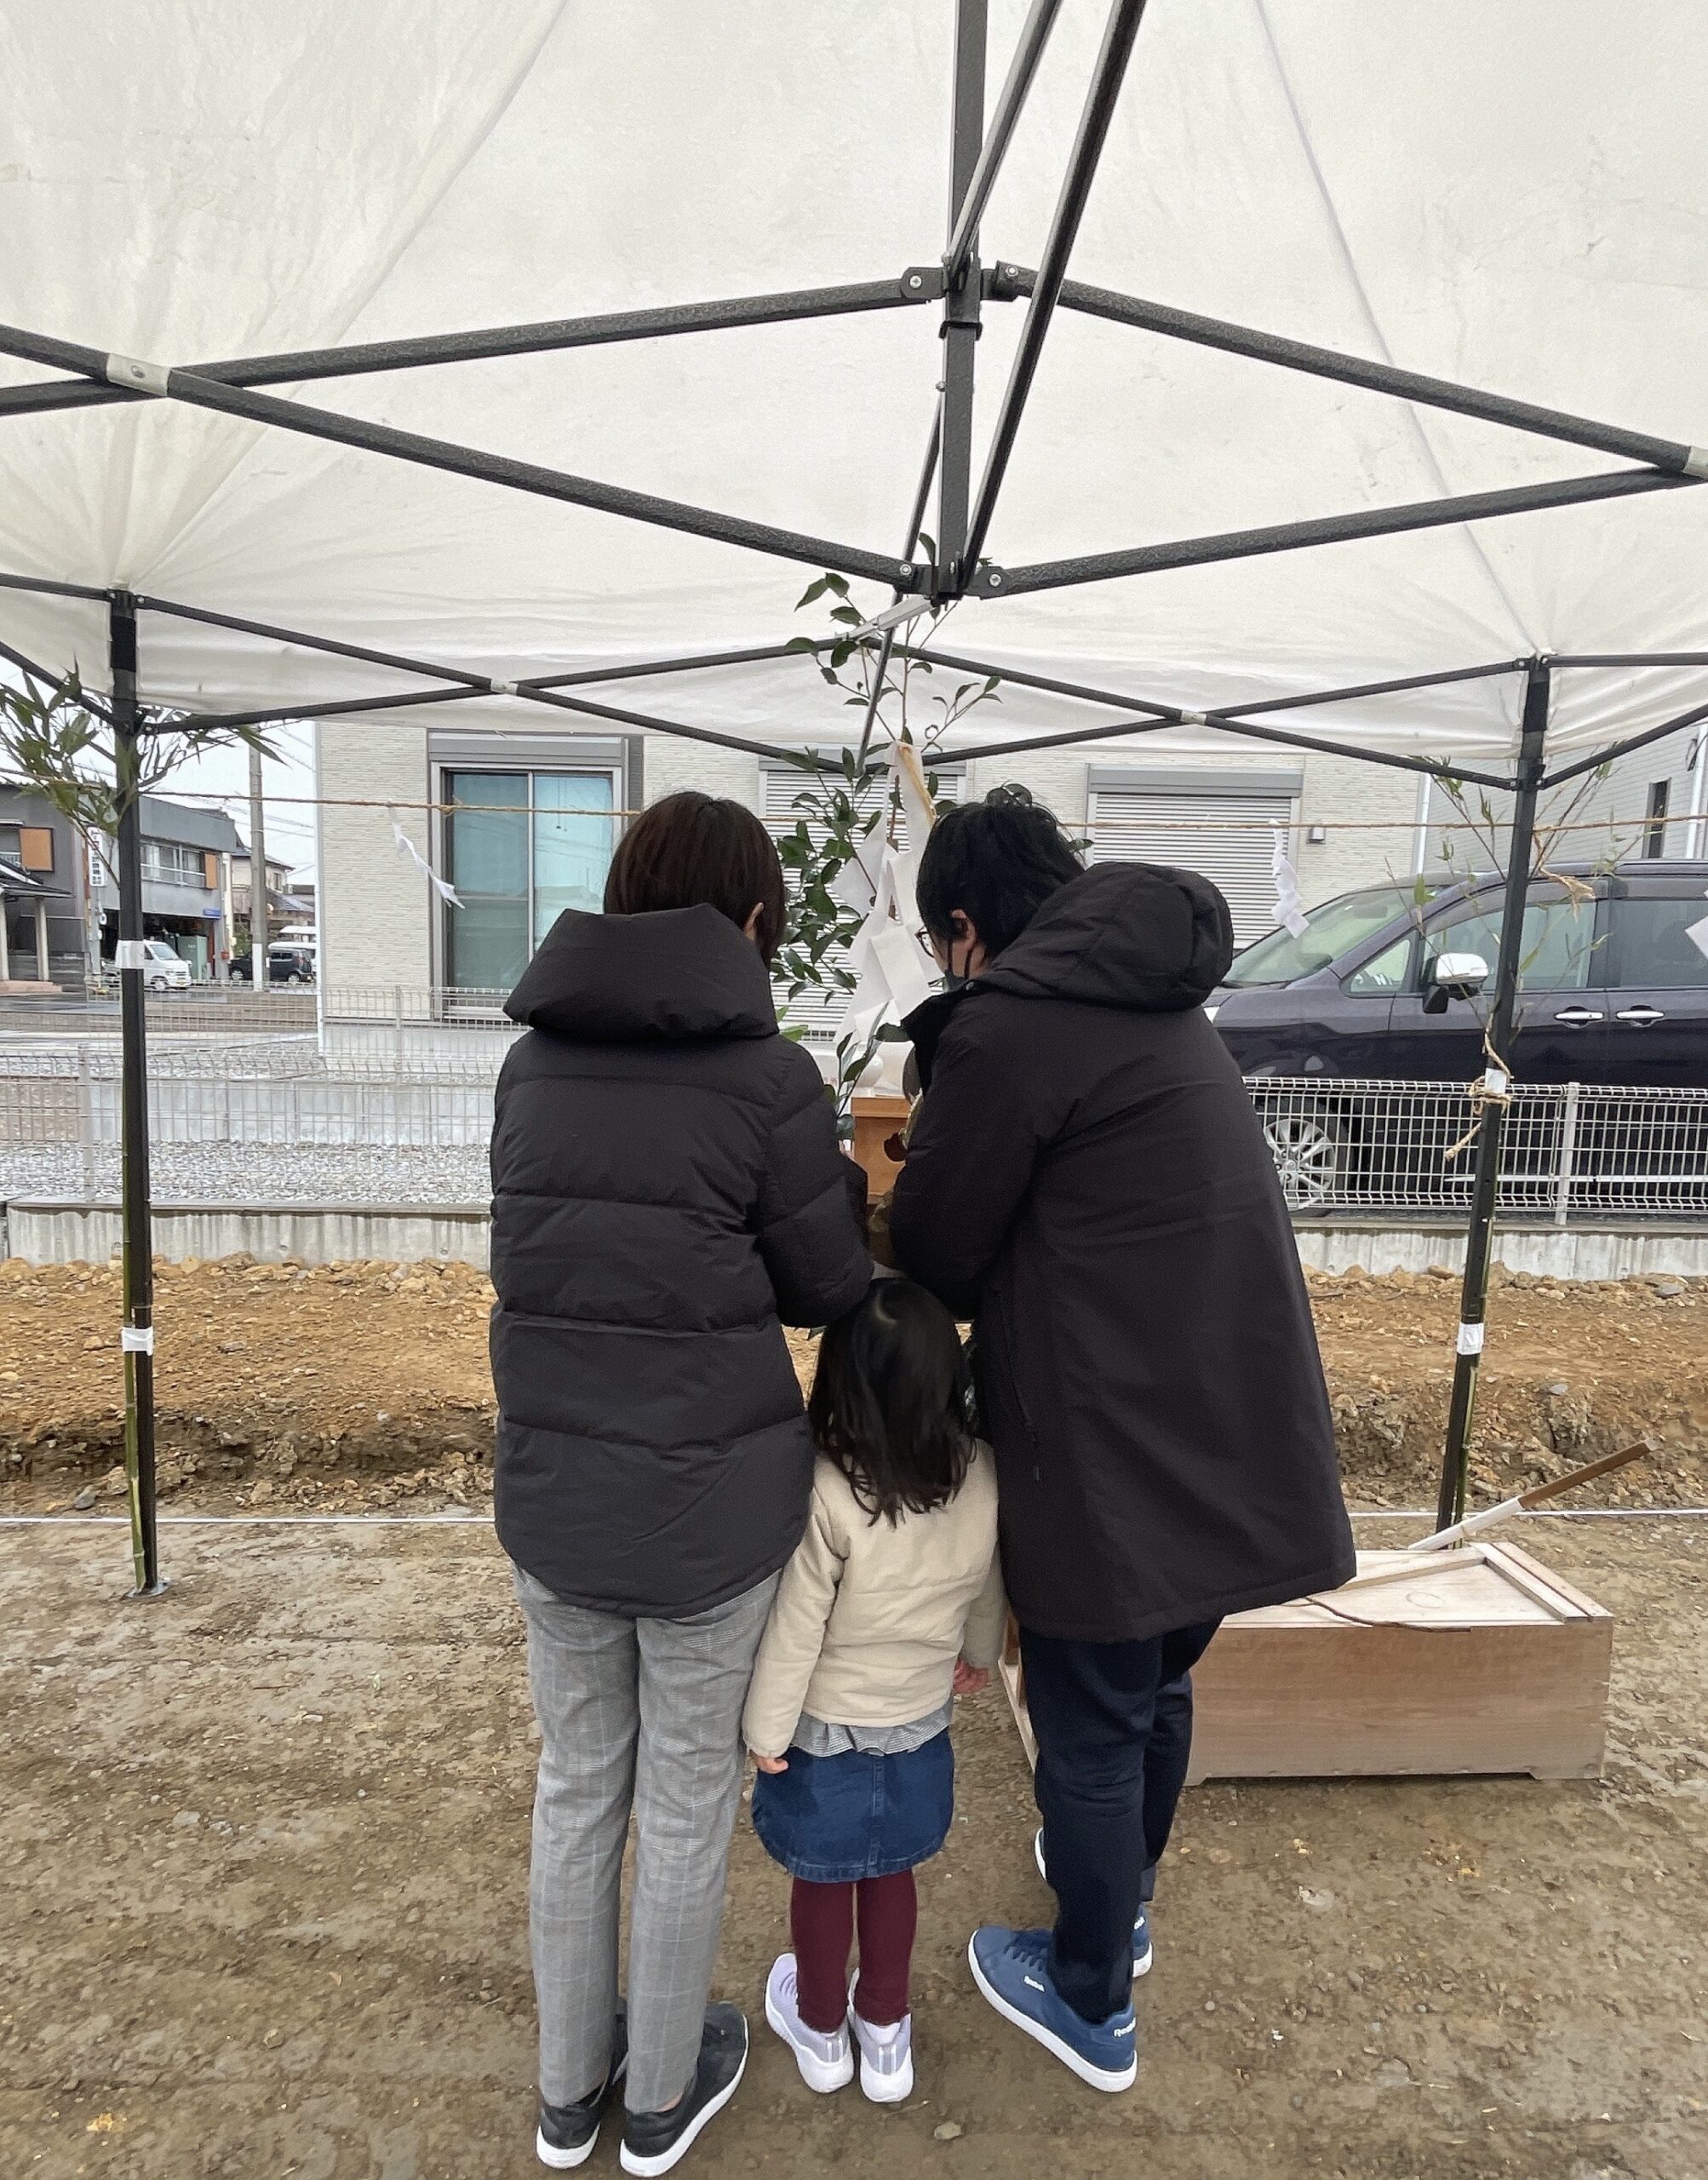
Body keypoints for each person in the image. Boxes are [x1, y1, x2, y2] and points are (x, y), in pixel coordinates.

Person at [887, 788, 1354, 2094]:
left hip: (1111, 1435)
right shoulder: (1164, 1007)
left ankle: (1088, 1993)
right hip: (1230, 1417)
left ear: (966, 927)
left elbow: (935, 1245)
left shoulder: (1014, 1030)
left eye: (938, 947)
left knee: (1086, 1721)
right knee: (1155, 1685)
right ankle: (1123, 1905)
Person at [490, 790, 871, 2176]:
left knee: (579, 1788)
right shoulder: (768, 1083)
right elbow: (830, 1289)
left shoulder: (526, 1067)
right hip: (713, 1517)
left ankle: (565, 2095)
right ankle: (658, 2100)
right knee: (686, 1805)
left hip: (553, 1496)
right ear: (753, 924)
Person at [742, 1278, 1005, 2106]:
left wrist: (765, 1731)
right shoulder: (980, 1475)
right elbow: (986, 1585)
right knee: (892, 1873)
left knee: (823, 1878)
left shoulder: (824, 1492)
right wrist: (980, 1653)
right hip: (919, 1721)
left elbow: (794, 1627)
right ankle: (884, 2032)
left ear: (839, 1384)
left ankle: (819, 2027)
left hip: (822, 1729)